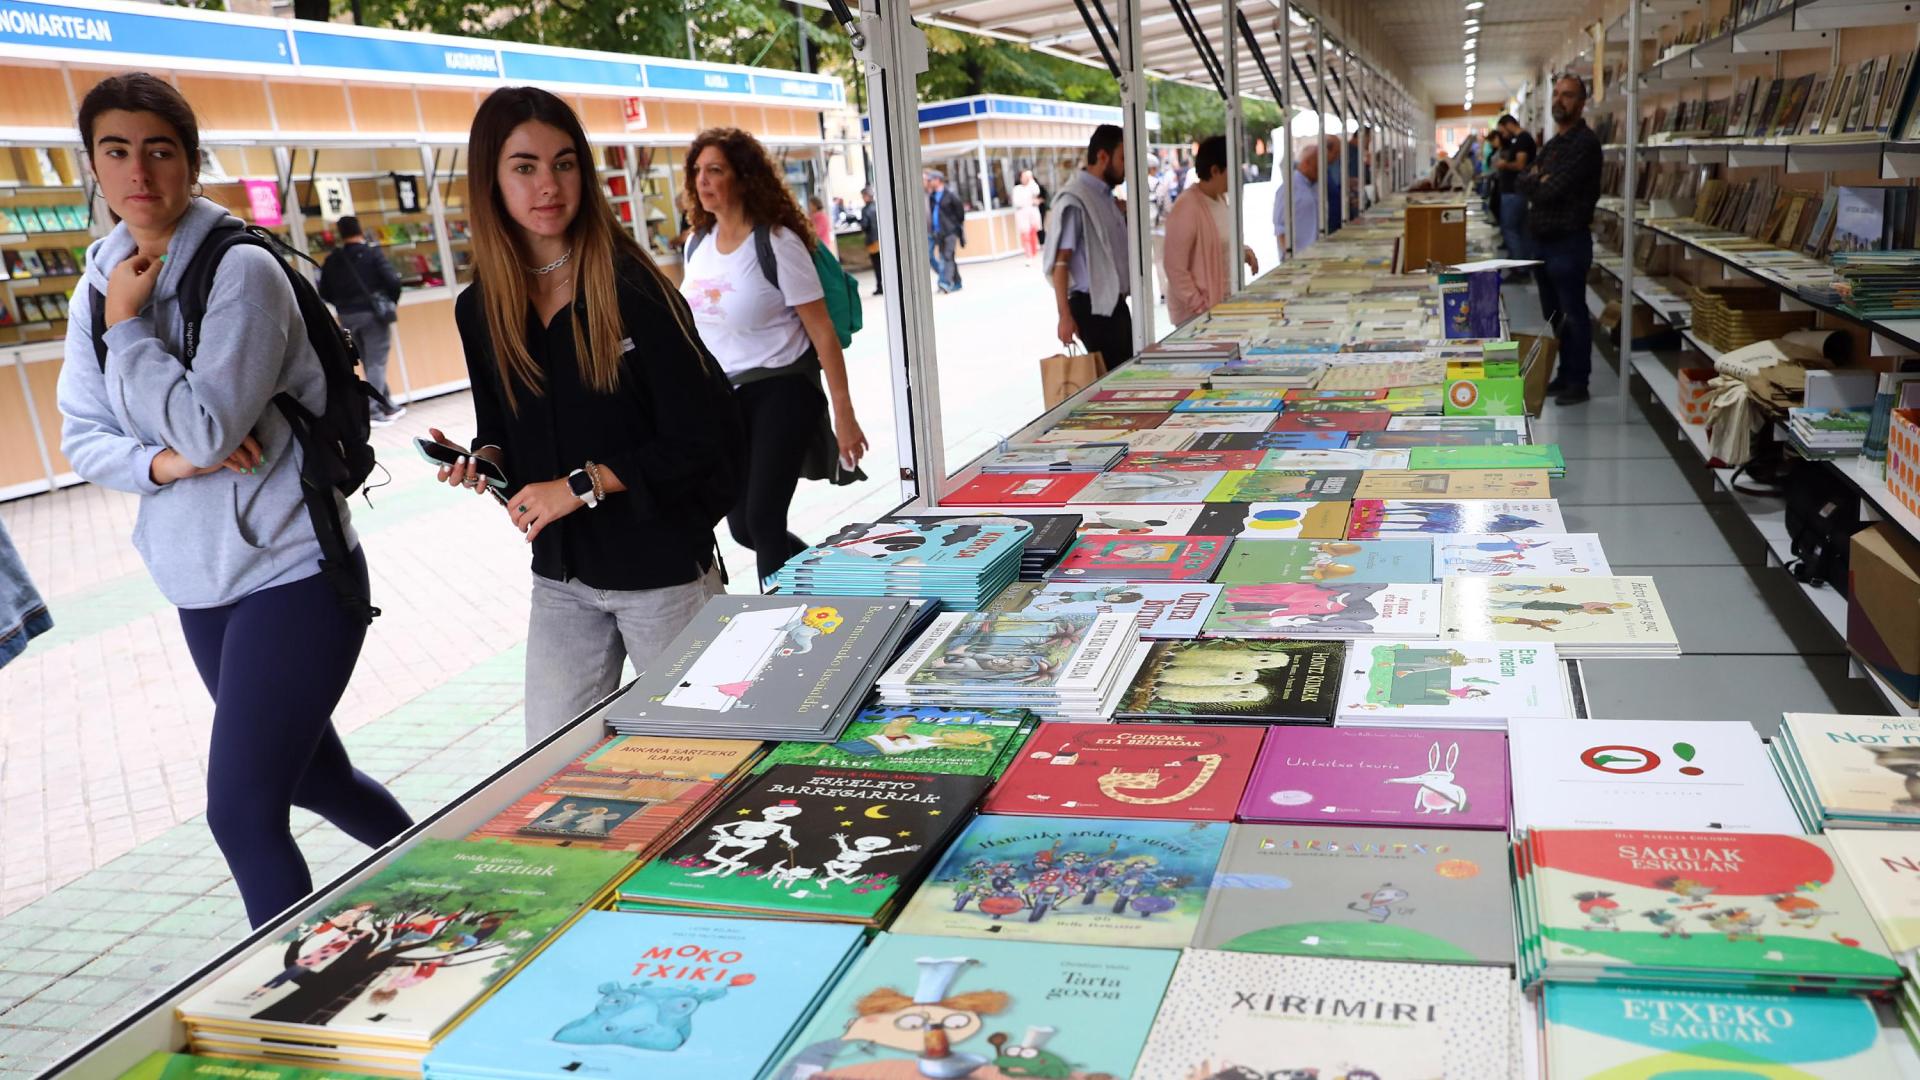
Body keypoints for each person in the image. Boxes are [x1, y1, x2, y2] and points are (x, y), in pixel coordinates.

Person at [56, 72, 411, 926]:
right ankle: (463, 872)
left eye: (160, 150)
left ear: (190, 160)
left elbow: (213, 427)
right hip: (199, 584)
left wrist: (130, 333)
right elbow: (83, 436)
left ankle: (290, 1012)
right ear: (94, 168)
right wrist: (170, 465)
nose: (139, 171)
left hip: (293, 572)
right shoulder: (97, 282)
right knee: (319, 779)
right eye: (116, 151)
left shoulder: (240, 269)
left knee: (242, 813)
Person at [433, 87, 742, 742]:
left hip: (663, 573)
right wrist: (482, 461)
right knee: (549, 760)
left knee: (704, 761)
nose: (548, 185)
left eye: (564, 163)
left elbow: (699, 439)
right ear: (491, 178)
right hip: (563, 579)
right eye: (525, 166)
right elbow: (501, 430)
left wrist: (581, 485)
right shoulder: (481, 309)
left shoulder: (631, 288)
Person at [679, 127, 869, 588]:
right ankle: (838, 580)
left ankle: (783, 623)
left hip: (783, 387)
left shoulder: (777, 241)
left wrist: (844, 413)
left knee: (763, 518)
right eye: (697, 171)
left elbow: (821, 331)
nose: (703, 181)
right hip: (726, 396)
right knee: (743, 526)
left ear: (744, 178)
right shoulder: (696, 244)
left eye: (716, 171)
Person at [1520, 75, 1604, 407]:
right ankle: (1564, 374)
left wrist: (1540, 181)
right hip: (1542, 244)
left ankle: (1578, 381)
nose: (1560, 100)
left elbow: (1550, 189)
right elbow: (1525, 182)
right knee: (1554, 315)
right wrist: (1537, 179)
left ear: (1581, 102)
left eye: (1567, 95)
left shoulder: (1585, 143)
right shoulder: (1554, 145)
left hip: (1568, 243)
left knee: (1573, 313)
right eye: (1556, 94)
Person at [1045, 124, 1133, 368]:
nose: (1127, 165)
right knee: (1116, 379)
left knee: (1128, 374)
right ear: (1103, 157)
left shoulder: (1105, 197)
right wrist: (1064, 316)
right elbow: (1060, 262)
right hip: (1092, 307)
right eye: (1123, 157)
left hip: (1114, 303)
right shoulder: (1076, 198)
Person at [317, 215, 405, 425]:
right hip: (372, 315)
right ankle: (373, 410)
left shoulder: (332, 259)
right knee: (376, 362)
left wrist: (343, 306)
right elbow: (393, 281)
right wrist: (388, 301)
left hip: (347, 317)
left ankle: (387, 404)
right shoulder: (372, 254)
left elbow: (324, 291)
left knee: (368, 361)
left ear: (341, 234)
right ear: (360, 230)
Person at [1164, 134, 1259, 325]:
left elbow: (1219, 243)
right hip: (1197, 316)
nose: (1237, 176)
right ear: (1215, 170)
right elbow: (1175, 268)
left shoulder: (1220, 198)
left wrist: (1243, 251)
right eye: (1232, 170)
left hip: (1220, 308)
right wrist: (1200, 306)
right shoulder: (1187, 206)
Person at [1274, 135, 1340, 257]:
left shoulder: (1316, 185)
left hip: (1317, 251)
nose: (1320, 171)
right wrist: (1291, 255)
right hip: (1299, 254)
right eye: (1317, 167)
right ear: (1306, 163)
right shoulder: (1288, 188)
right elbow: (1280, 228)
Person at [1493, 114, 1536, 263]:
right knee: (1521, 229)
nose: (1502, 135)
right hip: (1515, 191)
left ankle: (1520, 267)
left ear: (1509, 124)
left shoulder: (1523, 139)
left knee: (1509, 228)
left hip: (1514, 191)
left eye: (1503, 131)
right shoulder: (1518, 140)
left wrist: (1504, 165)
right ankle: (1523, 263)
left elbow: (1520, 165)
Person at [925, 168, 965, 293]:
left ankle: (945, 282)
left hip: (950, 231)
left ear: (938, 180)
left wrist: (954, 226)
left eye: (931, 180)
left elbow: (960, 213)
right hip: (939, 232)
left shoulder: (950, 194)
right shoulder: (932, 196)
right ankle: (957, 282)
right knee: (949, 257)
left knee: (946, 256)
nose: (929, 182)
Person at [1012, 168, 1042, 263]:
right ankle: (1029, 255)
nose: (1026, 179)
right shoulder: (1017, 189)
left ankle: (1034, 253)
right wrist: (1029, 201)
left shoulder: (1031, 187)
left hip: (1031, 215)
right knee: (1025, 236)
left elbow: (1036, 191)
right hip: (1022, 215)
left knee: (1033, 234)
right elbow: (1017, 202)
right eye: (1024, 176)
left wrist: (1031, 179)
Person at [859, 186, 882, 296]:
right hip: (880, 239)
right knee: (882, 264)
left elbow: (865, 225)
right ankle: (882, 285)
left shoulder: (865, 210)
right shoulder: (878, 206)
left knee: (877, 265)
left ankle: (880, 286)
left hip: (872, 241)